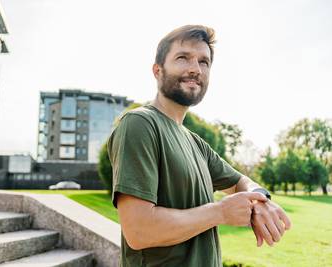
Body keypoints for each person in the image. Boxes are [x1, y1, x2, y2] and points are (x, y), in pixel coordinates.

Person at [107, 25, 292, 267]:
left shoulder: (196, 143)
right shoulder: (140, 124)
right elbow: (139, 231)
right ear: (157, 70)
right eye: (183, 58)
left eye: (204, 62)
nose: (195, 69)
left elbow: (239, 182)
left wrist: (259, 199)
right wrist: (220, 212)